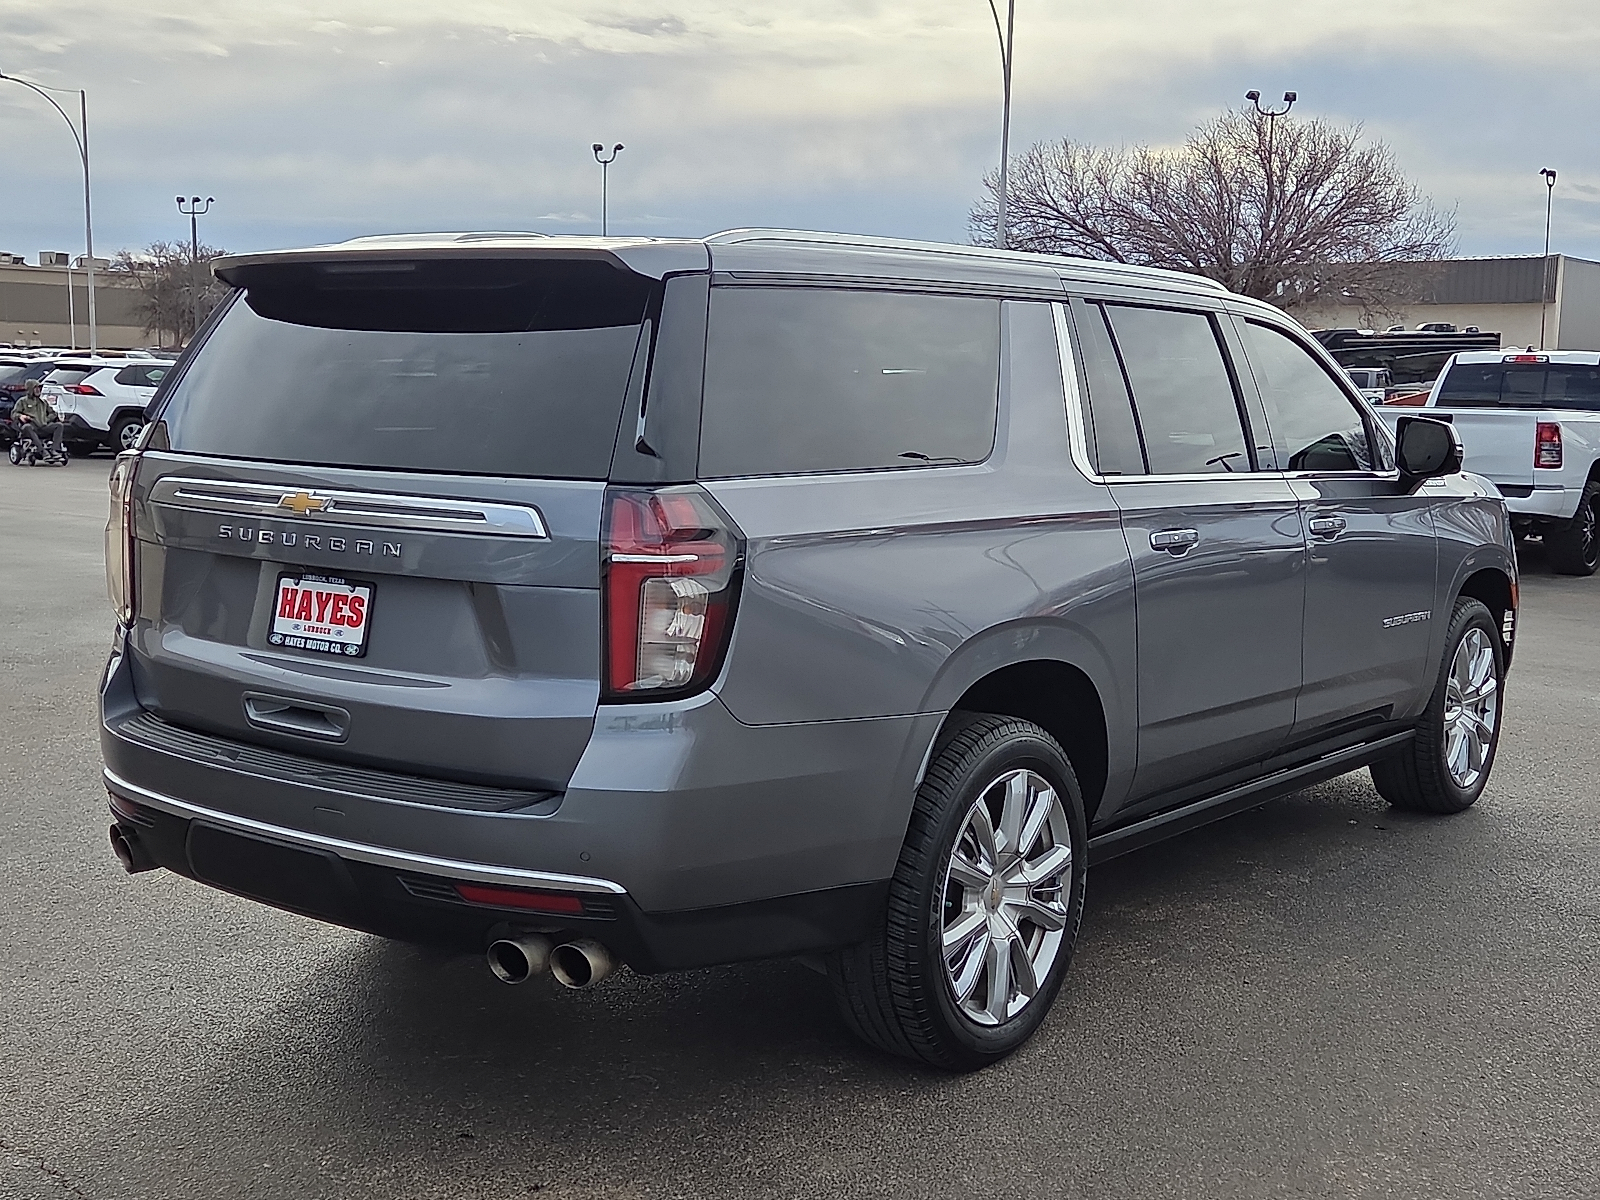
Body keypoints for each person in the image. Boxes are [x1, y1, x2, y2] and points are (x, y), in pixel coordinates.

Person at [12, 379, 66, 462]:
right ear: (30, 389)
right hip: (31, 427)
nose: (38, 390)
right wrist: (21, 416)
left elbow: (53, 413)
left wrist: (47, 419)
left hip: (43, 426)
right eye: (35, 388)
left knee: (59, 425)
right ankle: (42, 451)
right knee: (27, 427)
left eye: (39, 388)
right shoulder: (22, 401)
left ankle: (55, 450)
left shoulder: (43, 402)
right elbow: (14, 413)